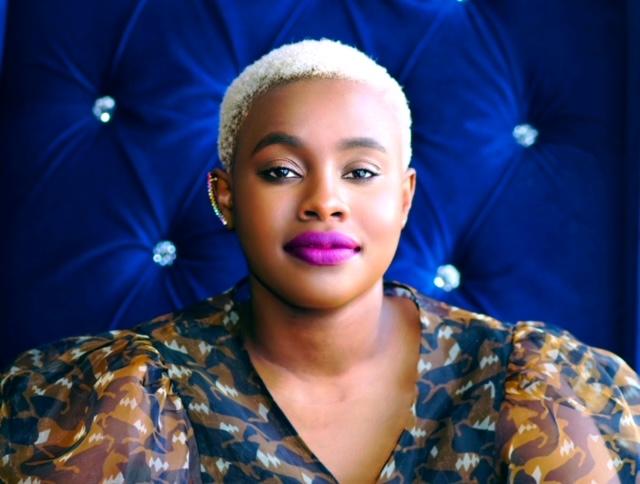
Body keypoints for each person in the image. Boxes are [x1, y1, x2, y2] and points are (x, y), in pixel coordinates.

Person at [1, 39, 639, 483]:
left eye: (360, 172)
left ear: (404, 198)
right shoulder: (123, 389)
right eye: (281, 171)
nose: (324, 201)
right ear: (225, 197)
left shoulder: (535, 382)